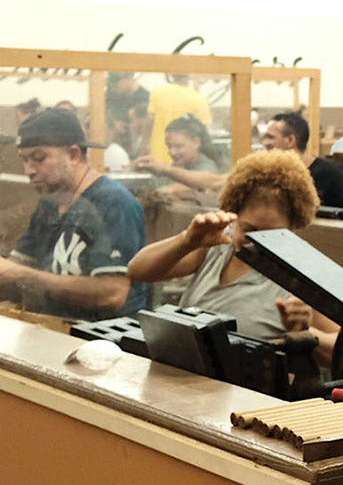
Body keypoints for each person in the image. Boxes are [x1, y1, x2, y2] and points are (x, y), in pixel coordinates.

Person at [127, 150, 339, 343]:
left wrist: (302, 334)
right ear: (234, 216)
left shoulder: (302, 273)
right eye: (249, 229)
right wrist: (187, 241)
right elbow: (138, 270)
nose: (257, 241)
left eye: (270, 234)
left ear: (294, 228)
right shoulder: (219, 244)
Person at [0, 109, 147, 319]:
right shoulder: (50, 203)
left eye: (38, 158)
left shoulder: (113, 202)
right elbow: (19, 265)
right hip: (53, 329)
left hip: (103, 341)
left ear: (73, 154)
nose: (29, 170)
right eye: (24, 160)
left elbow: (113, 294)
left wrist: (22, 275)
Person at [264, 112, 343, 220]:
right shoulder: (271, 175)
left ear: (290, 140)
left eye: (270, 137)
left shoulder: (332, 174)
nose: (265, 143)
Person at [131, 115, 221, 196]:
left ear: (196, 142)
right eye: (169, 146)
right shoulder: (174, 167)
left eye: (179, 146)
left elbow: (198, 184)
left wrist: (159, 191)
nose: (172, 152)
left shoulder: (207, 167)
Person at [145, 74, 211, 163]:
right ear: (189, 75)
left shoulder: (157, 94)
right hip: (184, 158)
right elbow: (204, 132)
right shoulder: (198, 99)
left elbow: (148, 123)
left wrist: (143, 152)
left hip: (158, 156)